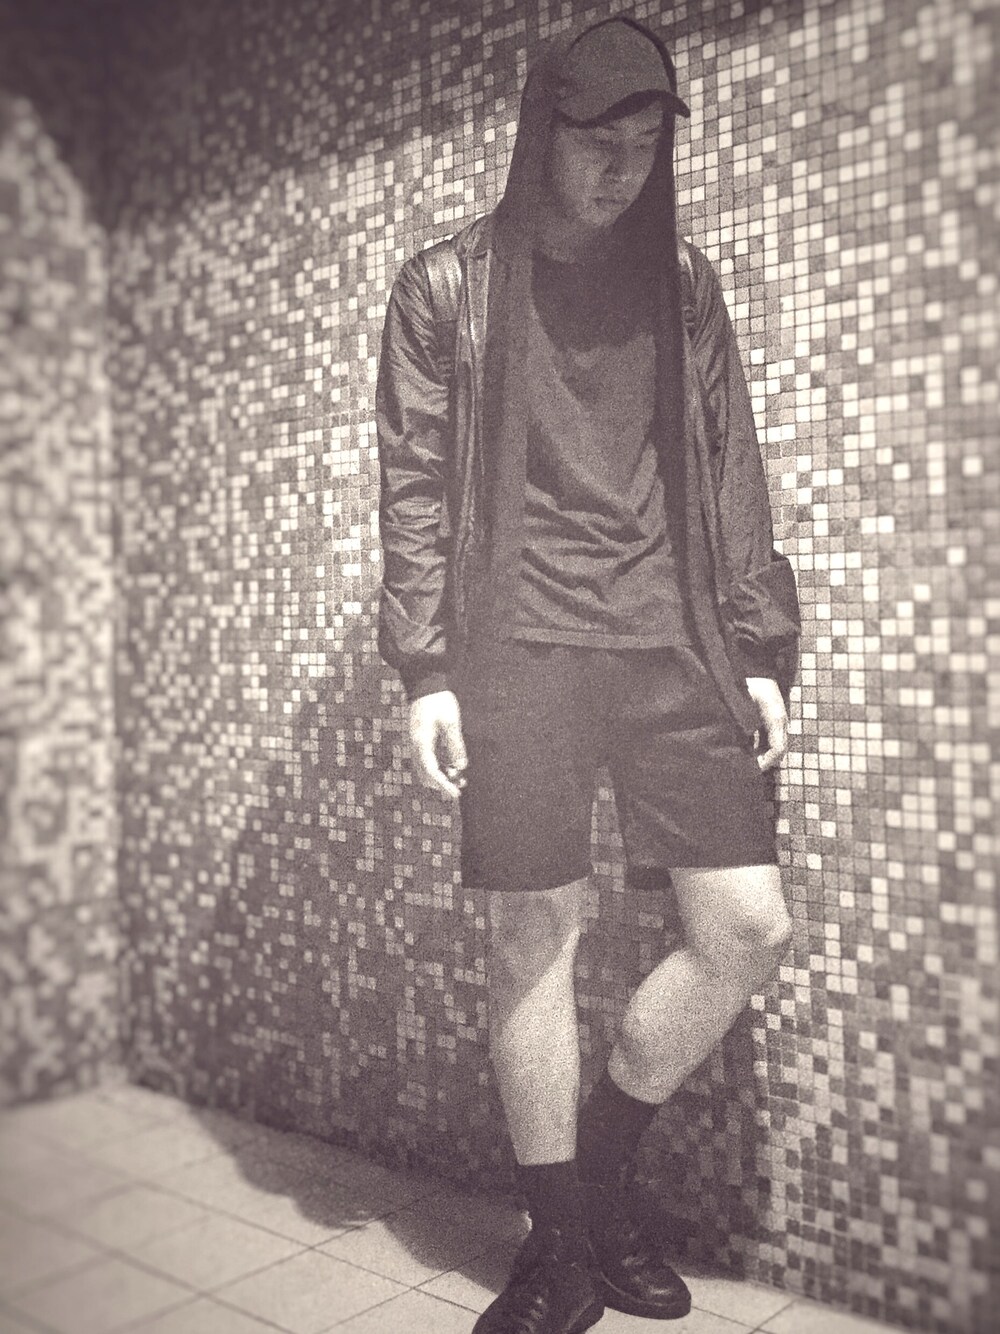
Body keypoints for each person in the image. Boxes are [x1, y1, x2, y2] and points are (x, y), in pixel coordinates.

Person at [376, 14, 801, 1333]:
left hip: (675, 640)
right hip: (516, 647)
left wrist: (759, 644)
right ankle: (559, 1246)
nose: (622, 166)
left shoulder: (684, 284)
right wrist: (426, 667)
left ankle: (598, 1178)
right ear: (539, 131)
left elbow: (730, 460)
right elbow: (414, 484)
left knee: (745, 927)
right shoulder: (446, 286)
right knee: (533, 934)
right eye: (594, 138)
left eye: (646, 141)